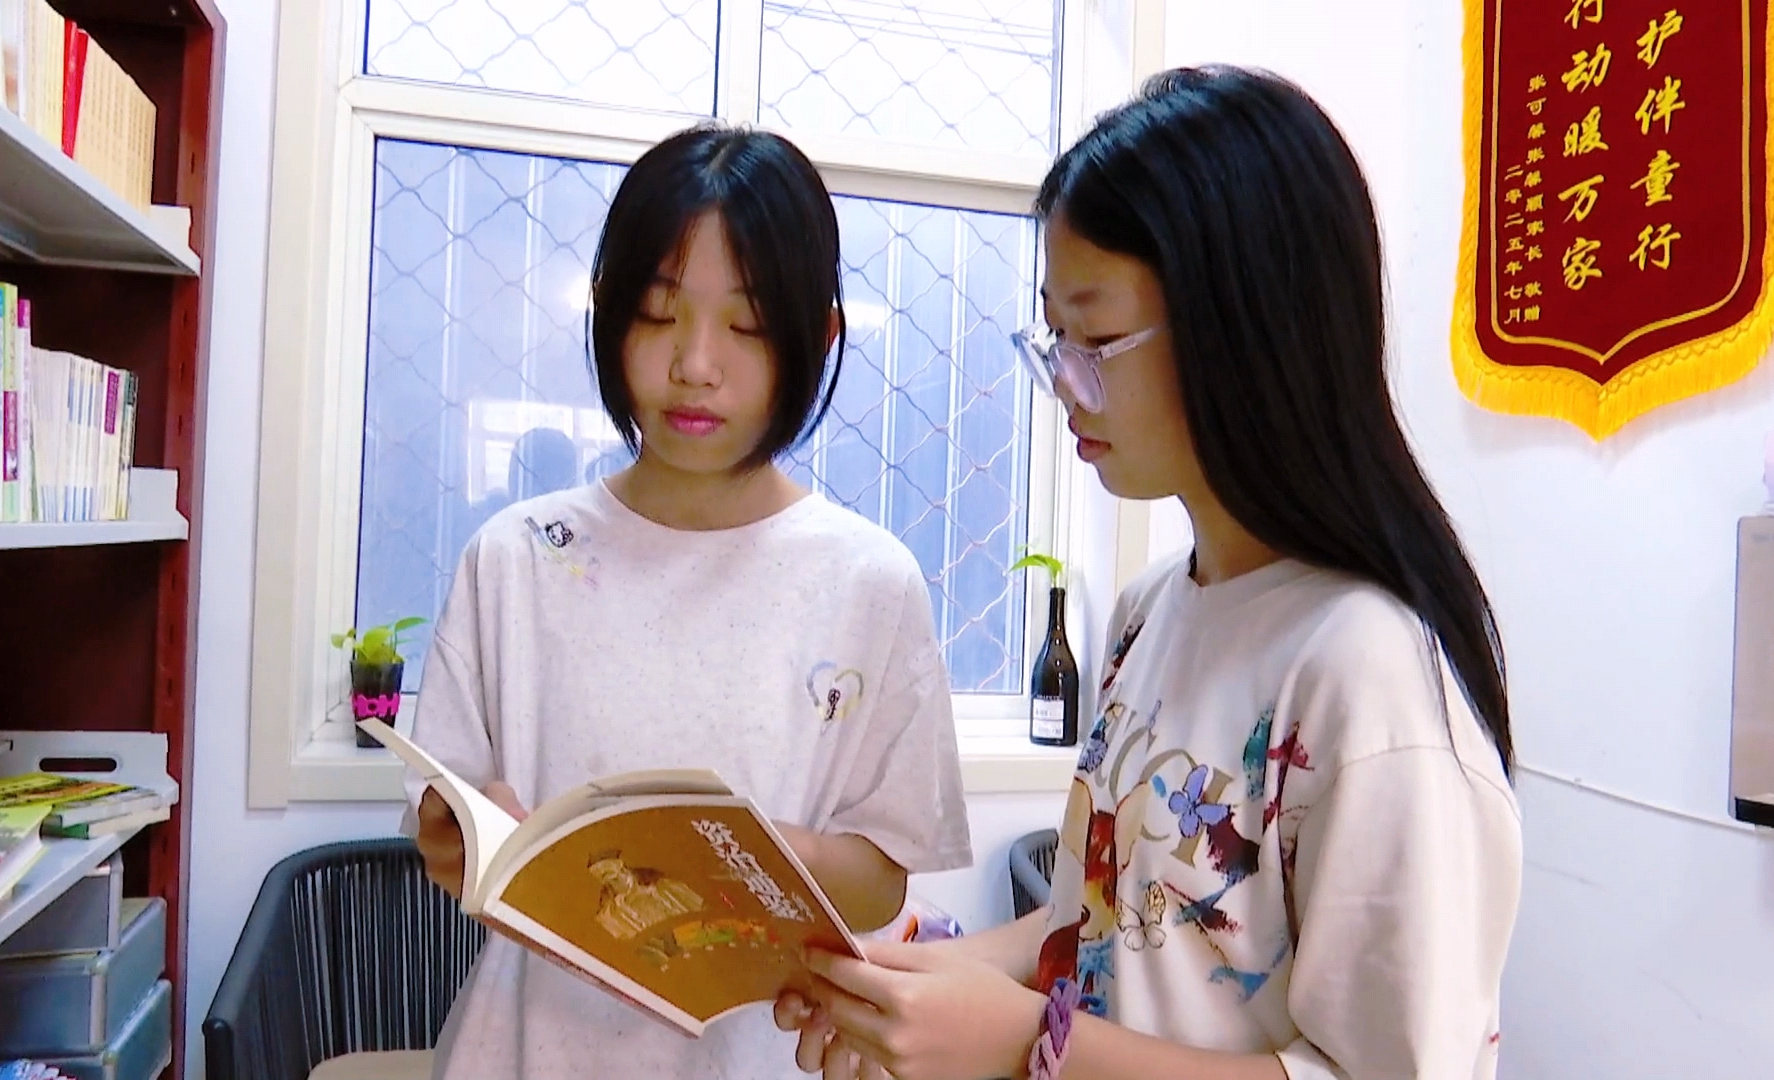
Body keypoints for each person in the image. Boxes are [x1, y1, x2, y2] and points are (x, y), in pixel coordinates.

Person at [775, 65, 1522, 1080]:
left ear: (1246, 328)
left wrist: (1026, 1042)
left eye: (1097, 338)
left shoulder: (1366, 671)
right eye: (1055, 337)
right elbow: (1096, 925)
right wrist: (908, 982)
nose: (1064, 382)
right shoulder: (1147, 612)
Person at [404, 122, 973, 1079]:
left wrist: (715, 862)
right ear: (608, 313)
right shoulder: (516, 557)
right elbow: (445, 825)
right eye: (659, 313)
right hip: (527, 1052)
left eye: (747, 327)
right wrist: (458, 835)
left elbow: (881, 882)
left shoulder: (868, 582)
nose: (696, 364)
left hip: (758, 1056)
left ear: (818, 336)